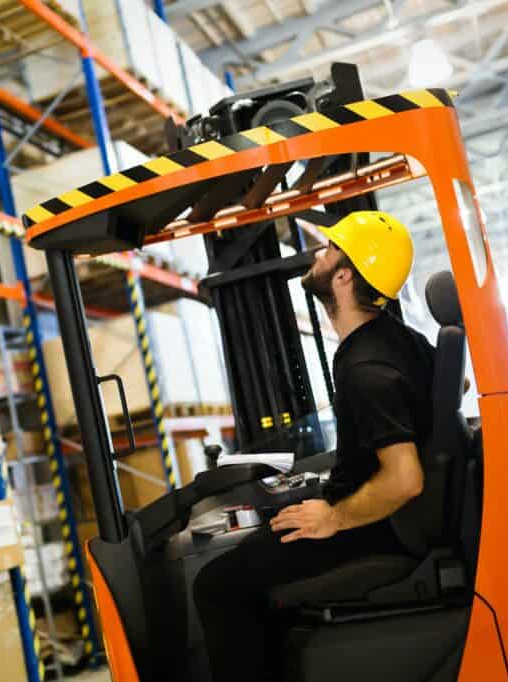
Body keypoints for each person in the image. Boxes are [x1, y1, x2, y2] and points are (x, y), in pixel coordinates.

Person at [192, 210, 436, 682]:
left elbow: (405, 478)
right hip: (399, 520)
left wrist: (334, 515)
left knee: (216, 585)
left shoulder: (366, 369)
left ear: (343, 275)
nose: (317, 255)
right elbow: (453, 388)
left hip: (381, 530)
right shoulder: (403, 340)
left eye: (328, 251)